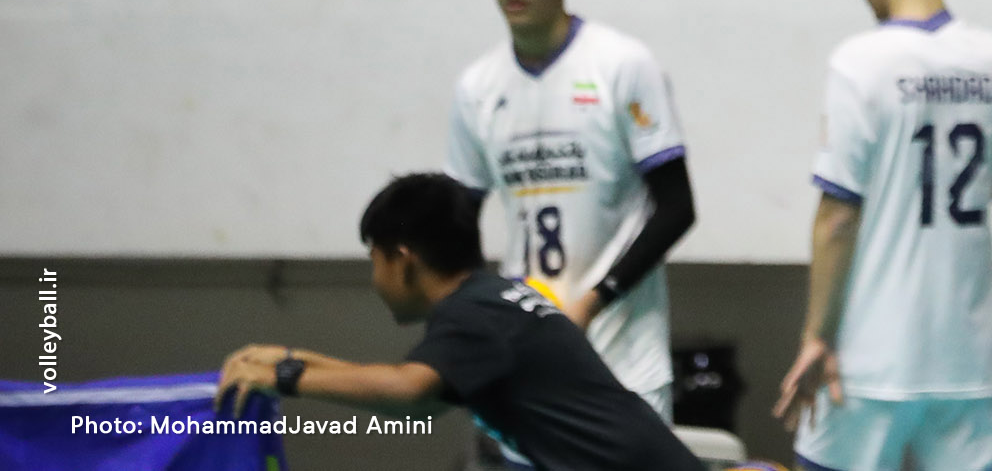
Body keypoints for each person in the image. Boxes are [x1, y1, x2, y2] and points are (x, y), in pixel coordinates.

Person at [215, 172, 706, 471]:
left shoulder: (473, 316)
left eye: (375, 260)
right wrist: (296, 358)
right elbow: (425, 403)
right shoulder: (493, 302)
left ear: (403, 260)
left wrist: (288, 376)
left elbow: (408, 393)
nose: (375, 278)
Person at [774, 0, 992, 471]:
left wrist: (816, 337)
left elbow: (837, 217)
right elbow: (990, 184)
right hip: (970, 356)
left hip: (869, 360)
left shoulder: (861, 62)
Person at [445, 0, 696, 438]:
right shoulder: (477, 88)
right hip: (528, 367)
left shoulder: (622, 65)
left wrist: (593, 301)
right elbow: (455, 225)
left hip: (625, 364)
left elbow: (678, 208)